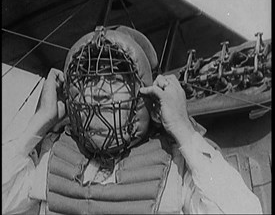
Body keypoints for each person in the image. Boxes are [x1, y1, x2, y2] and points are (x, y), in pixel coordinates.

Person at [2, 25, 262, 214]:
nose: (100, 91)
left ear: (144, 89)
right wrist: (39, 122)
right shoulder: (53, 155)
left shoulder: (175, 164)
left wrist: (183, 130)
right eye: (89, 80)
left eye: (115, 78)